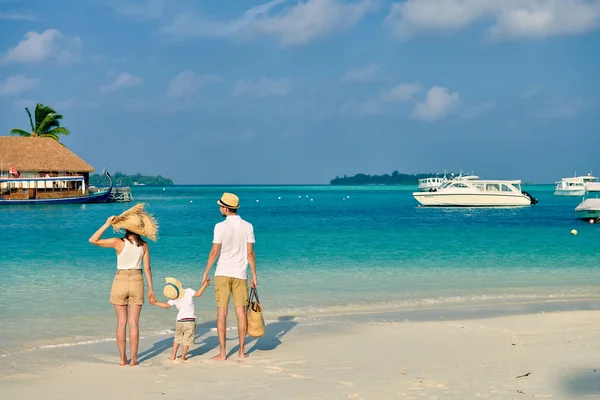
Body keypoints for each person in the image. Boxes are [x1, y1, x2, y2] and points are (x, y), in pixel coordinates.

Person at [88, 203, 158, 366]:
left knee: (121, 323)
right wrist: (151, 289)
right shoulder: (144, 245)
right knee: (134, 323)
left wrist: (107, 223)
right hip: (137, 281)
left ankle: (122, 359)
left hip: (120, 280)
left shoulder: (117, 243)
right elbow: (147, 269)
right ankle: (134, 360)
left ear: (125, 227)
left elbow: (93, 240)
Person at [202, 192, 257, 360]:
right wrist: (254, 275)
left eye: (220, 206)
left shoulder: (220, 227)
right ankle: (241, 351)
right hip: (240, 274)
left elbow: (214, 252)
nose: (219, 208)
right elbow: (250, 254)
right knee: (241, 312)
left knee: (222, 312)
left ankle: (223, 353)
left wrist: (206, 272)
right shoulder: (248, 226)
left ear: (225, 208)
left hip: (223, 273)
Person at [150, 277, 210, 361]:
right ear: (178, 285)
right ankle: (183, 357)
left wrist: (155, 303)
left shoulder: (174, 298)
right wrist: (204, 285)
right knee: (187, 340)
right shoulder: (188, 291)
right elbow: (198, 294)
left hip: (179, 321)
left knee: (177, 339)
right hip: (190, 321)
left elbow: (166, 306)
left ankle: (173, 356)